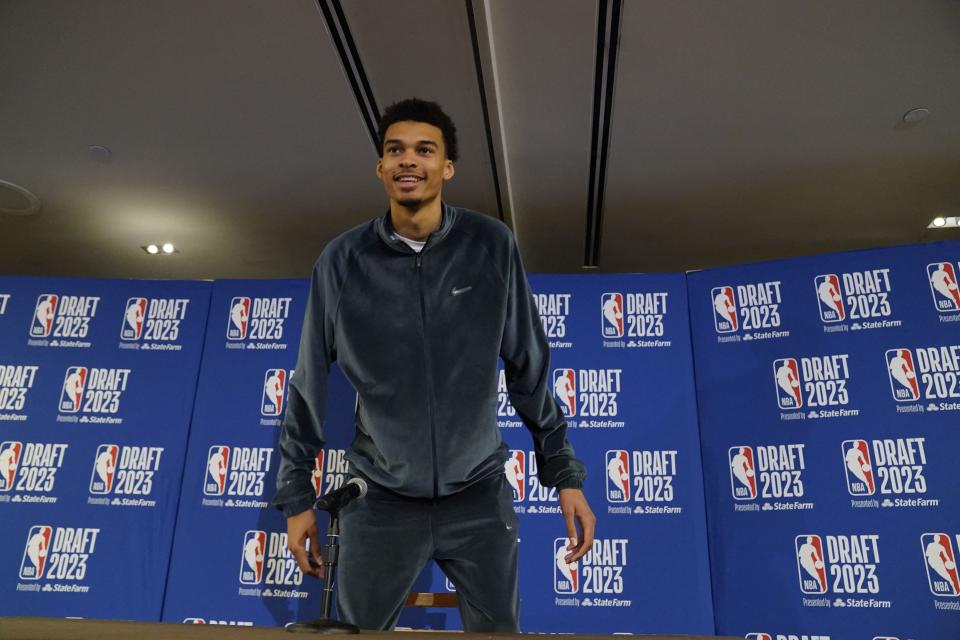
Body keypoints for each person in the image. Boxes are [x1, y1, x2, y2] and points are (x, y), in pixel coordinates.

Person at [273, 98, 594, 632]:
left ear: (447, 167)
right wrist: (295, 499)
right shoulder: (342, 260)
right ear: (380, 167)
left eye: (425, 150)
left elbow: (529, 369)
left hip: (479, 498)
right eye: (395, 150)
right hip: (379, 502)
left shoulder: (491, 245)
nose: (408, 161)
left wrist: (564, 475)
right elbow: (308, 385)